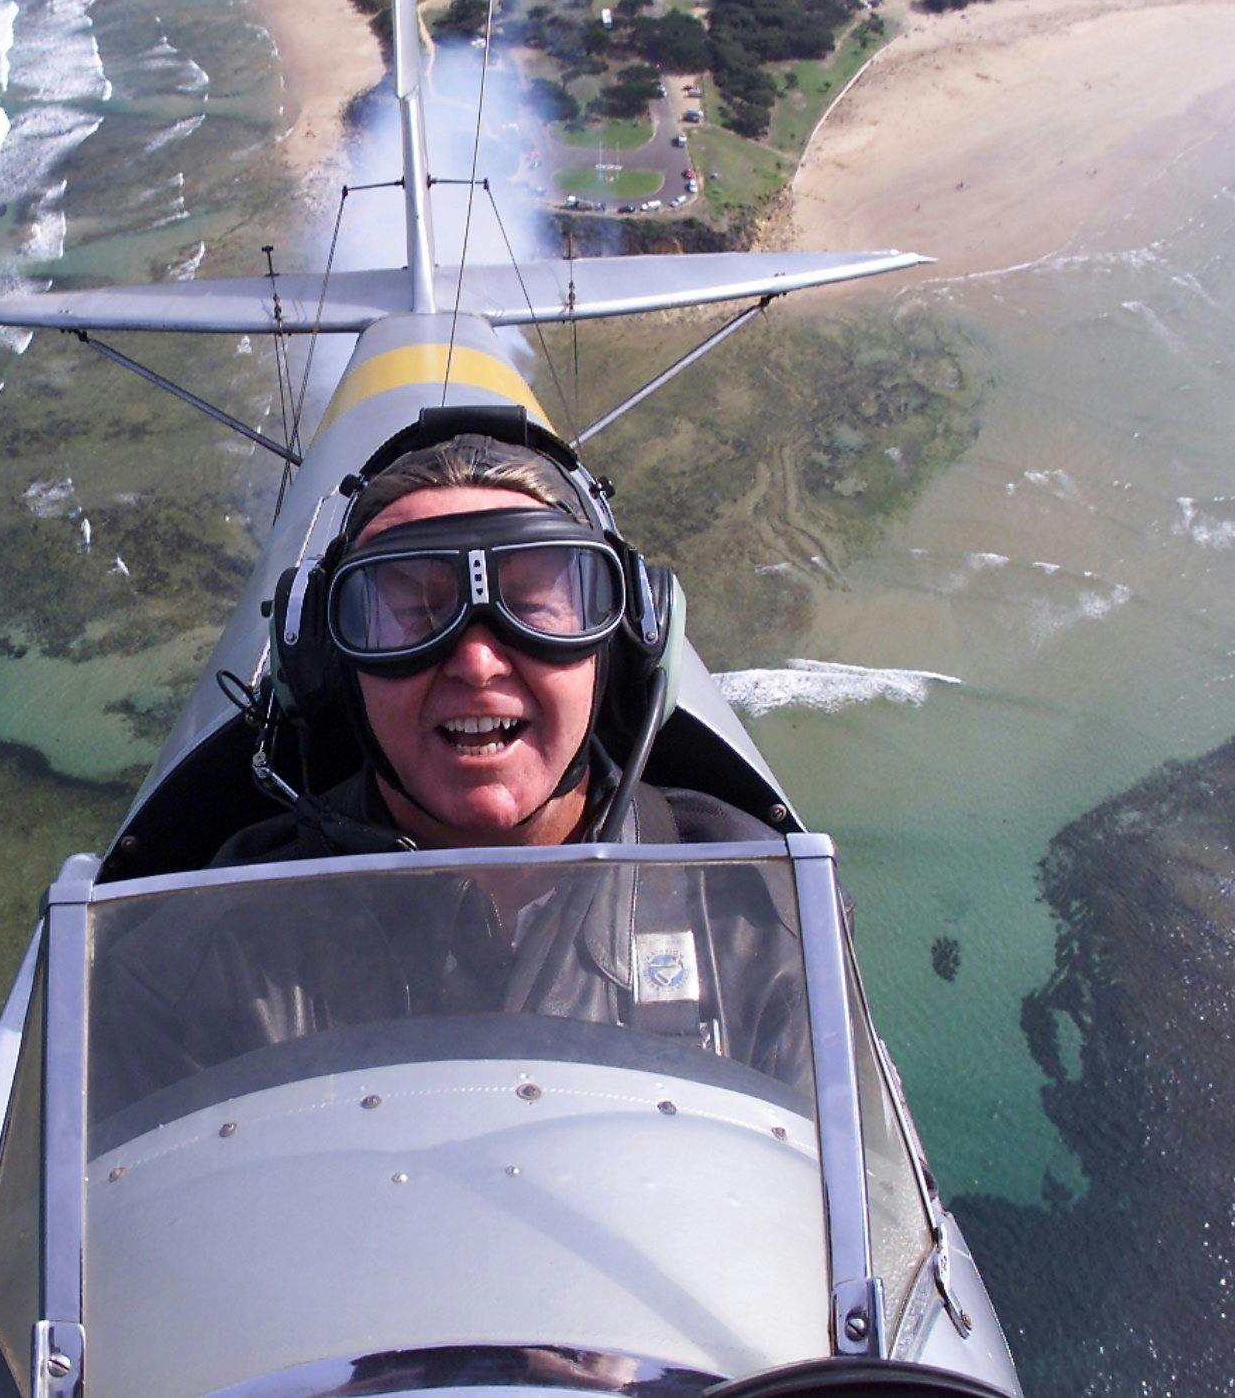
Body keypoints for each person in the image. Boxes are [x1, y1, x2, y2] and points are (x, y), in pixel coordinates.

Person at [90, 425, 803, 1123]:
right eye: (406, 613)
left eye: (534, 605)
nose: (477, 662)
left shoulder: (762, 921)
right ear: (330, 668)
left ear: (619, 646)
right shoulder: (196, 970)